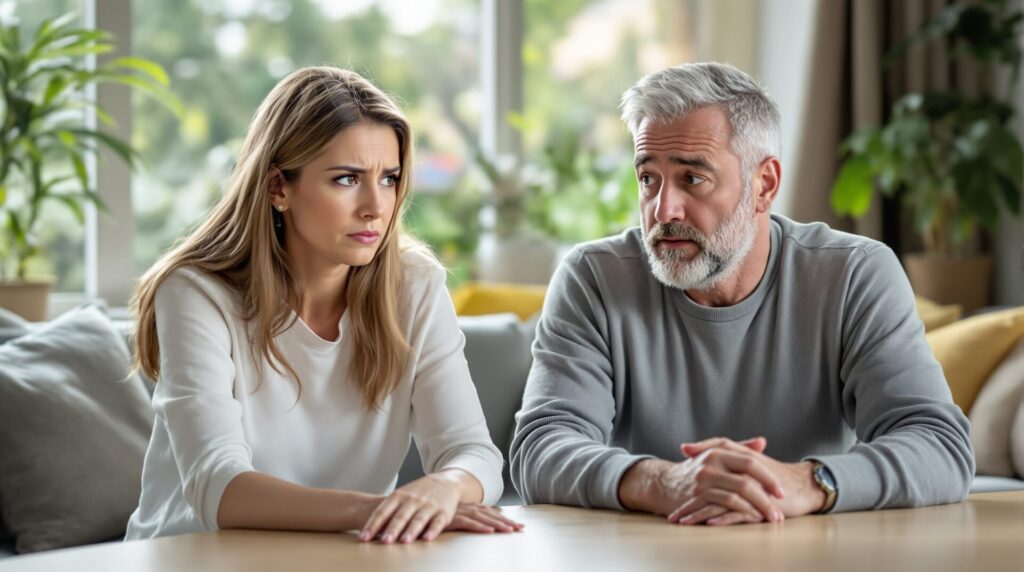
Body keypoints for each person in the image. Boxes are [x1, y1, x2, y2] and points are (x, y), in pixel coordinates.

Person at [510, 62, 974, 526]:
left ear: (764, 185)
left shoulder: (854, 273)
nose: (662, 208)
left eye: (692, 178)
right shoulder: (593, 277)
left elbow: (940, 446)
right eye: (648, 178)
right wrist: (663, 482)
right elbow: (541, 448)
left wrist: (808, 483)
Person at [126, 66, 522, 543]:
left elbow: (474, 454)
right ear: (278, 188)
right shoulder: (196, 293)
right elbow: (220, 488)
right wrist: (389, 510)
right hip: (195, 557)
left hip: (346, 556)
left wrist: (444, 487)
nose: (376, 206)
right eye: (347, 179)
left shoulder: (414, 285)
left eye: (390, 178)